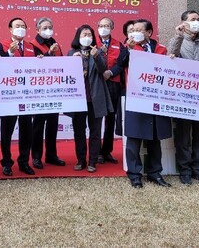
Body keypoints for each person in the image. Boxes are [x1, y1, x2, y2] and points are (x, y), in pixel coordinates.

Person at [167, 10, 199, 186]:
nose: (196, 22)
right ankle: (185, 170)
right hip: (183, 98)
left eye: (198, 19)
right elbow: (169, 57)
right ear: (184, 23)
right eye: (192, 20)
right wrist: (178, 36)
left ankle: (198, 170)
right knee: (183, 137)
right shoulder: (177, 42)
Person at [121, 18, 172, 188]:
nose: (134, 32)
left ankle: (154, 173)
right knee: (134, 137)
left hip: (156, 97)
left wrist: (172, 61)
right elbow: (120, 65)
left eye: (139, 29)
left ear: (149, 33)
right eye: (132, 29)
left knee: (154, 137)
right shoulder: (128, 48)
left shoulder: (161, 49)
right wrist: (128, 50)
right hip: (135, 96)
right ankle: (134, 175)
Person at [67, 25, 113, 172]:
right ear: (78, 37)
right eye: (84, 34)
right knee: (79, 131)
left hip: (95, 98)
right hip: (78, 99)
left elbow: (103, 70)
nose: (87, 37)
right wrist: (73, 60)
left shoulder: (98, 51)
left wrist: (96, 56)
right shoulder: (71, 53)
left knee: (95, 131)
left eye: (89, 34)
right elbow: (66, 72)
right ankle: (81, 160)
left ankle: (93, 161)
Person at [0, 17, 36, 176]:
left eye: (23, 26)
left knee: (27, 130)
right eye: (17, 26)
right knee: (7, 131)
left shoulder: (31, 47)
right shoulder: (1, 45)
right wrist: (9, 54)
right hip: (9, 95)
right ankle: (7, 163)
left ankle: (24, 162)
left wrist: (41, 60)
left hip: (28, 95)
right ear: (10, 29)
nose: (20, 28)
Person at [29, 17, 65, 169]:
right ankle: (36, 157)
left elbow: (61, 63)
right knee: (38, 126)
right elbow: (35, 67)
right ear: (37, 30)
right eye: (44, 28)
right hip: (39, 92)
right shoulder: (32, 45)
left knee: (53, 124)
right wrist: (49, 54)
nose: (48, 30)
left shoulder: (54, 43)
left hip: (53, 90)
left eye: (50, 27)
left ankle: (51, 155)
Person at [96, 17, 123, 165]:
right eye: (101, 25)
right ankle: (97, 152)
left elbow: (121, 63)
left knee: (110, 119)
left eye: (107, 25)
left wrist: (110, 73)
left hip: (113, 84)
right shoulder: (92, 43)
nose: (104, 28)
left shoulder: (119, 45)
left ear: (112, 28)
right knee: (97, 119)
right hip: (97, 85)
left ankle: (106, 151)